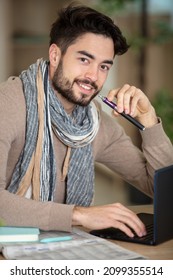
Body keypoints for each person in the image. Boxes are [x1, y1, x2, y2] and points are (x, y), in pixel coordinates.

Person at [0, 3, 173, 239]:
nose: (93, 76)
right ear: (54, 55)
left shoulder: (95, 124)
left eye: (103, 66)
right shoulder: (8, 103)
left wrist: (150, 123)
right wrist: (79, 215)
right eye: (84, 59)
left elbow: (163, 191)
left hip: (59, 246)